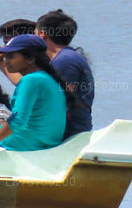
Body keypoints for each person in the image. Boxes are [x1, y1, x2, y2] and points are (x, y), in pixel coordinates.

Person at [0, 35, 69, 152]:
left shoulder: (30, 80)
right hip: (47, 141)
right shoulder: (47, 78)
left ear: (30, 59)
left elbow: (18, 120)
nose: (6, 62)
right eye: (5, 57)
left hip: (25, 144)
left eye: (11, 57)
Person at [36, 9, 94, 138]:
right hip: (69, 129)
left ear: (42, 34)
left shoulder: (64, 60)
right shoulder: (69, 56)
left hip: (69, 132)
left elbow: (61, 99)